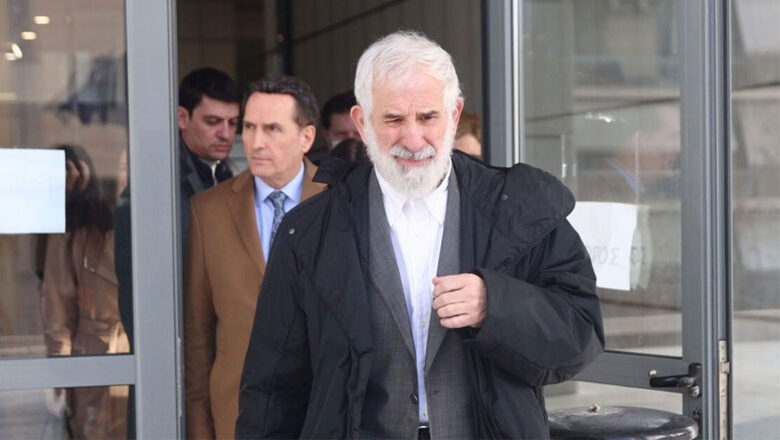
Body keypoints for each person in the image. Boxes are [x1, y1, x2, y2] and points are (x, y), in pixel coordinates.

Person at [236, 31, 604, 439]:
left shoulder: (518, 208)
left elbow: (582, 334)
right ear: (361, 122)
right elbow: (272, 390)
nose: (412, 140)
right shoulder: (307, 232)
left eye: (428, 117)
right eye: (393, 120)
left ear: (454, 113)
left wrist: (495, 305)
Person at [185, 75, 327, 440]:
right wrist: (200, 429)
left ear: (306, 138)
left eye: (272, 129)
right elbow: (199, 337)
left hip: (322, 415)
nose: (256, 142)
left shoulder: (340, 201)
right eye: (249, 127)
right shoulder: (208, 210)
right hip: (236, 415)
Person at [42, 144, 129, 439]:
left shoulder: (144, 224)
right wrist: (61, 378)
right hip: (93, 357)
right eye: (121, 168)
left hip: (135, 354)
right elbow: (57, 309)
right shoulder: (71, 231)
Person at [177, 67, 241, 241]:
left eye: (233, 123)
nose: (226, 134)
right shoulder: (166, 179)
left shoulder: (228, 172)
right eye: (213, 122)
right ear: (182, 118)